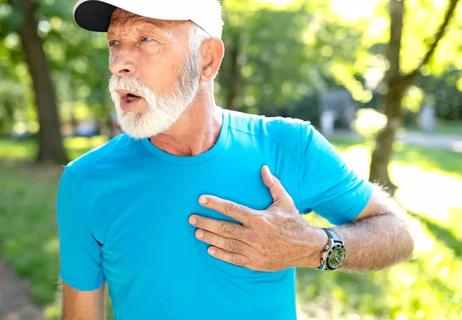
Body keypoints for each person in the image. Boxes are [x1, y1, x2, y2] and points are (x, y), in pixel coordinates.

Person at [56, 1, 414, 319]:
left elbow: (397, 234)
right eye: (114, 43)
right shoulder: (84, 180)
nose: (118, 63)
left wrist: (310, 247)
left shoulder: (289, 145)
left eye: (145, 39)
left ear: (207, 59)